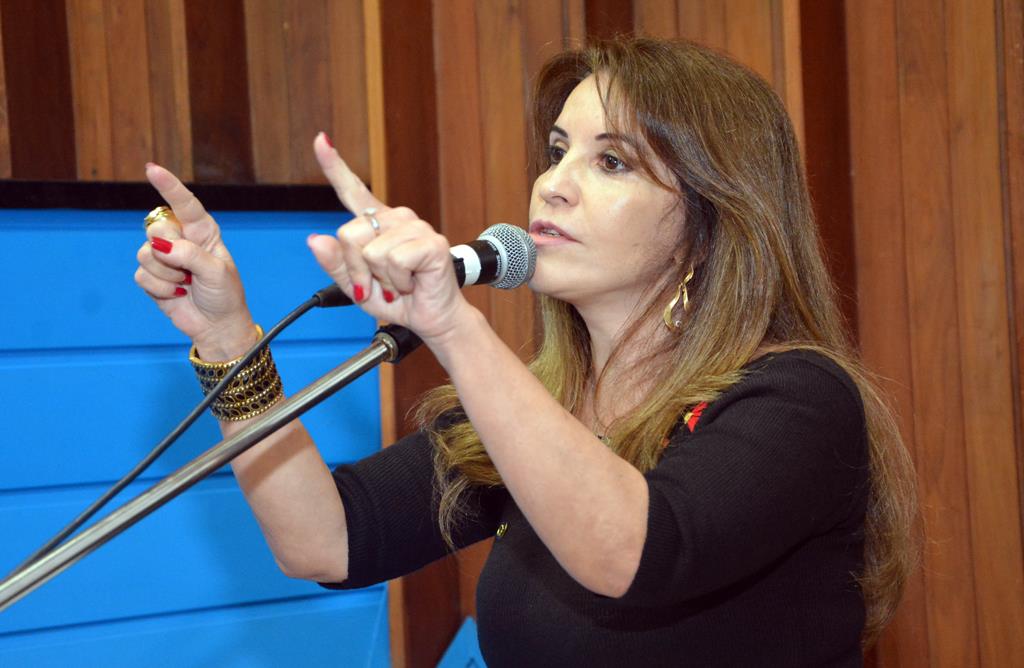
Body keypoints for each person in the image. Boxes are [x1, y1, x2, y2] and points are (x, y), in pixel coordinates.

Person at [134, 37, 918, 666]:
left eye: (610, 161)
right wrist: (226, 336)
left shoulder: (799, 399)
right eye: (557, 151)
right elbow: (326, 539)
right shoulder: (537, 409)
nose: (552, 185)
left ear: (710, 226)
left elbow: (634, 553)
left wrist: (453, 325)